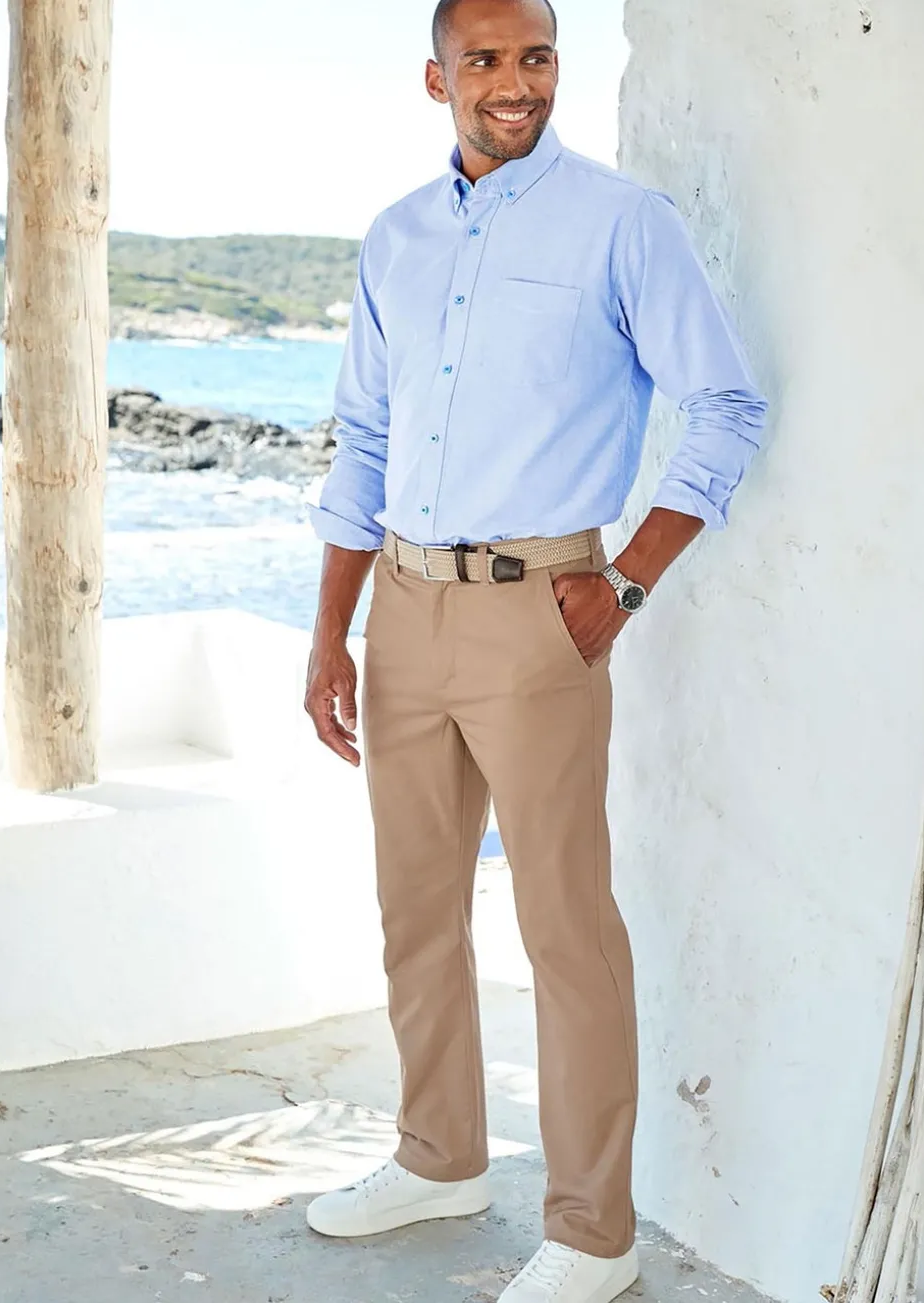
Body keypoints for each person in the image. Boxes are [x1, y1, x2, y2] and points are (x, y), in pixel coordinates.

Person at [303, 0, 767, 1298]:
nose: (514, 83)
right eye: (487, 61)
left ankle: (592, 1233)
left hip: (542, 610)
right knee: (416, 911)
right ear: (437, 77)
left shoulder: (622, 224)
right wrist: (331, 632)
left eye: (536, 57)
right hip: (403, 607)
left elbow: (725, 403)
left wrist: (624, 583)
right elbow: (364, 439)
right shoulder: (394, 238)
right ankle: (438, 1155)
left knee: (565, 925)